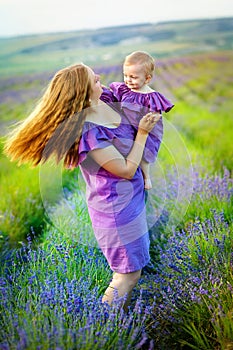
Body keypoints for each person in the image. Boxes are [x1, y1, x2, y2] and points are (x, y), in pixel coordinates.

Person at [3, 63, 161, 311]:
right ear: (85, 95)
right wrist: (142, 133)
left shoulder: (104, 101)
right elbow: (126, 170)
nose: (100, 77)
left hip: (131, 201)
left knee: (133, 270)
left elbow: (133, 93)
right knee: (126, 275)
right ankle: (105, 326)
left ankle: (117, 321)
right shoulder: (91, 134)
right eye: (94, 80)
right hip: (116, 212)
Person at [101, 51, 174, 190]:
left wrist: (149, 123)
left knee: (145, 153)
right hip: (127, 124)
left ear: (147, 79)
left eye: (133, 77)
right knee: (127, 148)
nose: (128, 80)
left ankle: (146, 177)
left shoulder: (150, 96)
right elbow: (115, 97)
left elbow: (155, 114)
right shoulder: (125, 88)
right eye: (126, 75)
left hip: (145, 127)